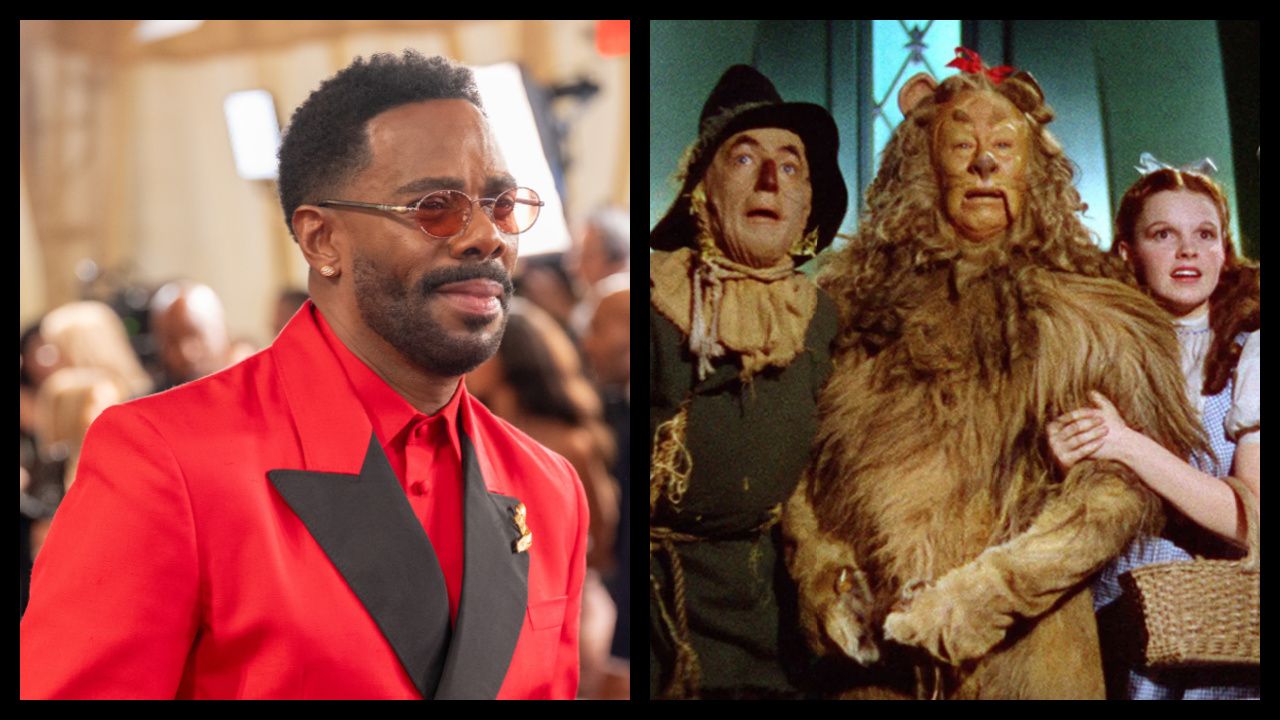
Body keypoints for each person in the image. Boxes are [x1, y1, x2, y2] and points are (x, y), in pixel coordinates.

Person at [21, 51, 587, 700]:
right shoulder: (164, 459)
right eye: (435, 206)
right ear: (322, 241)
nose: (486, 236)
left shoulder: (547, 488)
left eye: (502, 204)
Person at [648, 65, 848, 698]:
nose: (770, 180)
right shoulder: (652, 298)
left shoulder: (822, 320)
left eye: (791, 167)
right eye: (744, 158)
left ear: (809, 205)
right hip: (658, 618)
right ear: (703, 189)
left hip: (769, 624)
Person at [1046, 161, 1259, 699]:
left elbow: (1250, 522)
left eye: (1205, 235)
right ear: (1127, 254)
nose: (1188, 251)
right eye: (1163, 234)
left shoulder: (1247, 353)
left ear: (1224, 252)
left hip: (1216, 649)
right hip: (1113, 635)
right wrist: (1064, 460)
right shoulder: (1096, 353)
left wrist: (1125, 444)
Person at [149, 280, 232, 390]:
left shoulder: (251, 391)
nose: (185, 354)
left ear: (221, 332)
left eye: (195, 336)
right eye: (172, 341)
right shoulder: (153, 402)